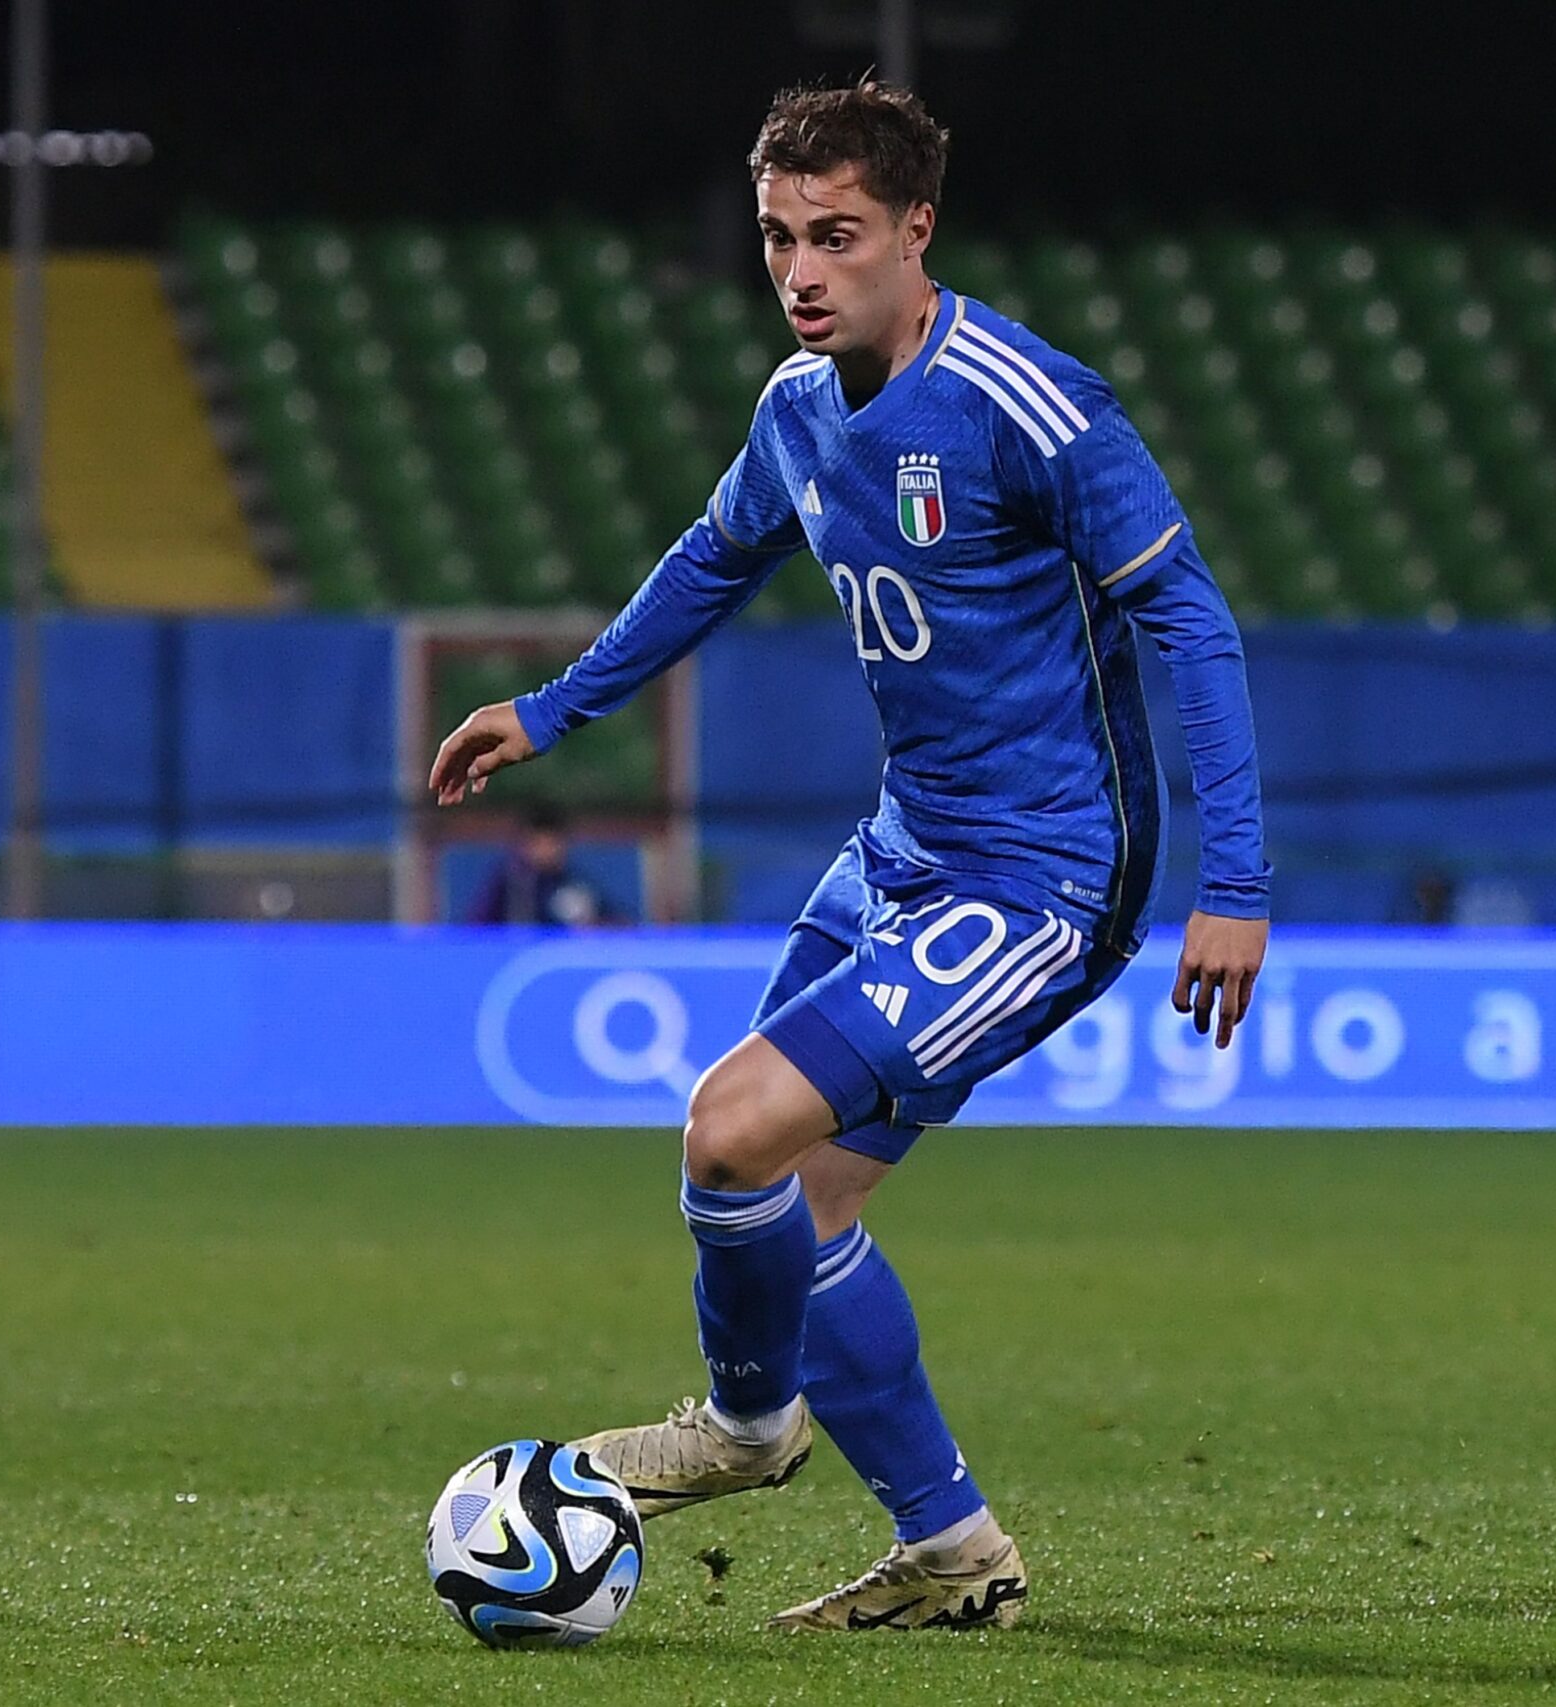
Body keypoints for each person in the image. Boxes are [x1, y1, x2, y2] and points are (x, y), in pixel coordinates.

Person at [429, 79, 1269, 1632]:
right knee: (791, 1208)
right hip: (898, 853)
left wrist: (1237, 883)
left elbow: (1191, 620)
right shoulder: (799, 408)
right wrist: (553, 709)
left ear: (916, 229)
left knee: (731, 1128)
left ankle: (748, 1426)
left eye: (837, 235)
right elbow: (715, 555)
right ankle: (954, 1549)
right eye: (776, 237)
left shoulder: (1028, 404)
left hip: (1044, 881)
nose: (800, 272)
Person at [466, 800, 617, 927]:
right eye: (539, 843)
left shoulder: (574, 882)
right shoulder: (509, 882)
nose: (546, 850)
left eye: (552, 843)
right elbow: (476, 929)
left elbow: (613, 923)